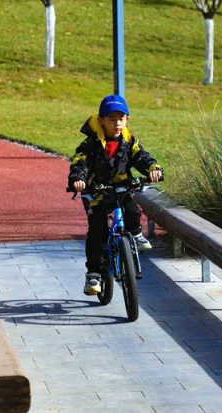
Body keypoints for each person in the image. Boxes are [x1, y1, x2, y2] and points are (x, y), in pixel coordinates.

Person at [68, 95, 164, 295]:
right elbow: (80, 162)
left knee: (131, 208)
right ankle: (94, 273)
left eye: (121, 118)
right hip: (96, 192)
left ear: (127, 119)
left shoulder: (129, 141)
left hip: (121, 187)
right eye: (111, 119)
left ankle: (136, 235)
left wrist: (153, 169)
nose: (117, 123)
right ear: (101, 120)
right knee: (97, 232)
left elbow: (142, 157)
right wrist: (78, 179)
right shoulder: (91, 144)